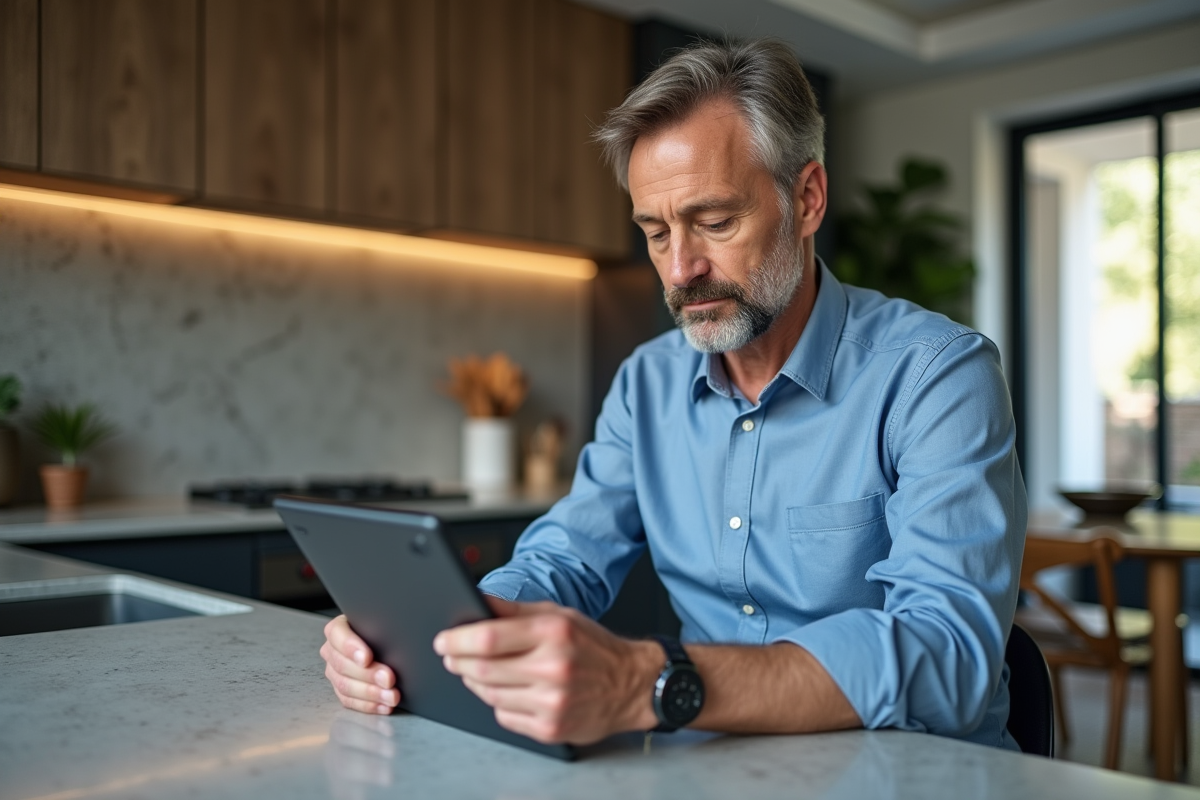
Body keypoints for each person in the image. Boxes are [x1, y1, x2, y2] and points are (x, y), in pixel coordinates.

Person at [320, 38, 1026, 749]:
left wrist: (649, 682)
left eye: (715, 223)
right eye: (656, 233)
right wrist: (445, 631)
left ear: (807, 199)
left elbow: (949, 654)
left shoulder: (937, 375)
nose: (681, 268)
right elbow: (566, 557)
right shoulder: (646, 383)